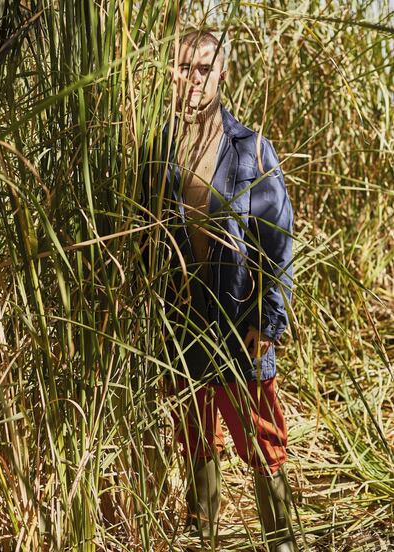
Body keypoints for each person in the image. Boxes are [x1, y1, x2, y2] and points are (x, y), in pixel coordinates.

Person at [141, 29, 296, 552]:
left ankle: (284, 543)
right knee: (195, 441)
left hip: (238, 322)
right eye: (183, 69)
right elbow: (149, 238)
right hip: (184, 324)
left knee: (263, 443)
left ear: (221, 74)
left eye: (202, 69)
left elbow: (279, 241)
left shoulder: (249, 148)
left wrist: (268, 323)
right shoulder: (158, 148)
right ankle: (200, 538)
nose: (191, 81)